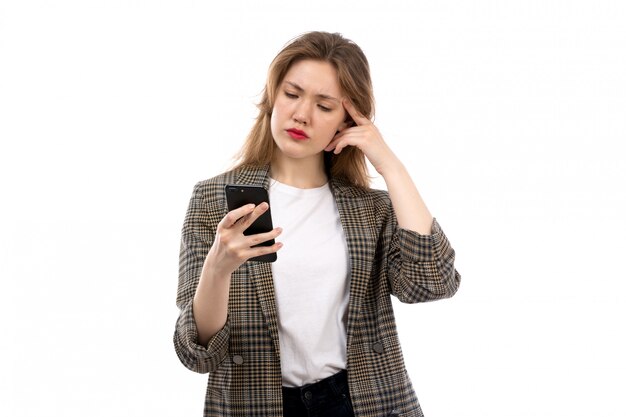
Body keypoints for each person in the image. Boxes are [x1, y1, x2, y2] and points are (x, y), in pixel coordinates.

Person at [174, 31, 461, 417]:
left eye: (325, 106)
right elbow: (198, 352)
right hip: (256, 404)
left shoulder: (370, 209)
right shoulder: (214, 200)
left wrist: (389, 164)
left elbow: (432, 283)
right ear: (272, 96)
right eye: (292, 94)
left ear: (348, 120)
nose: (302, 114)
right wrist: (218, 268)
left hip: (360, 402)